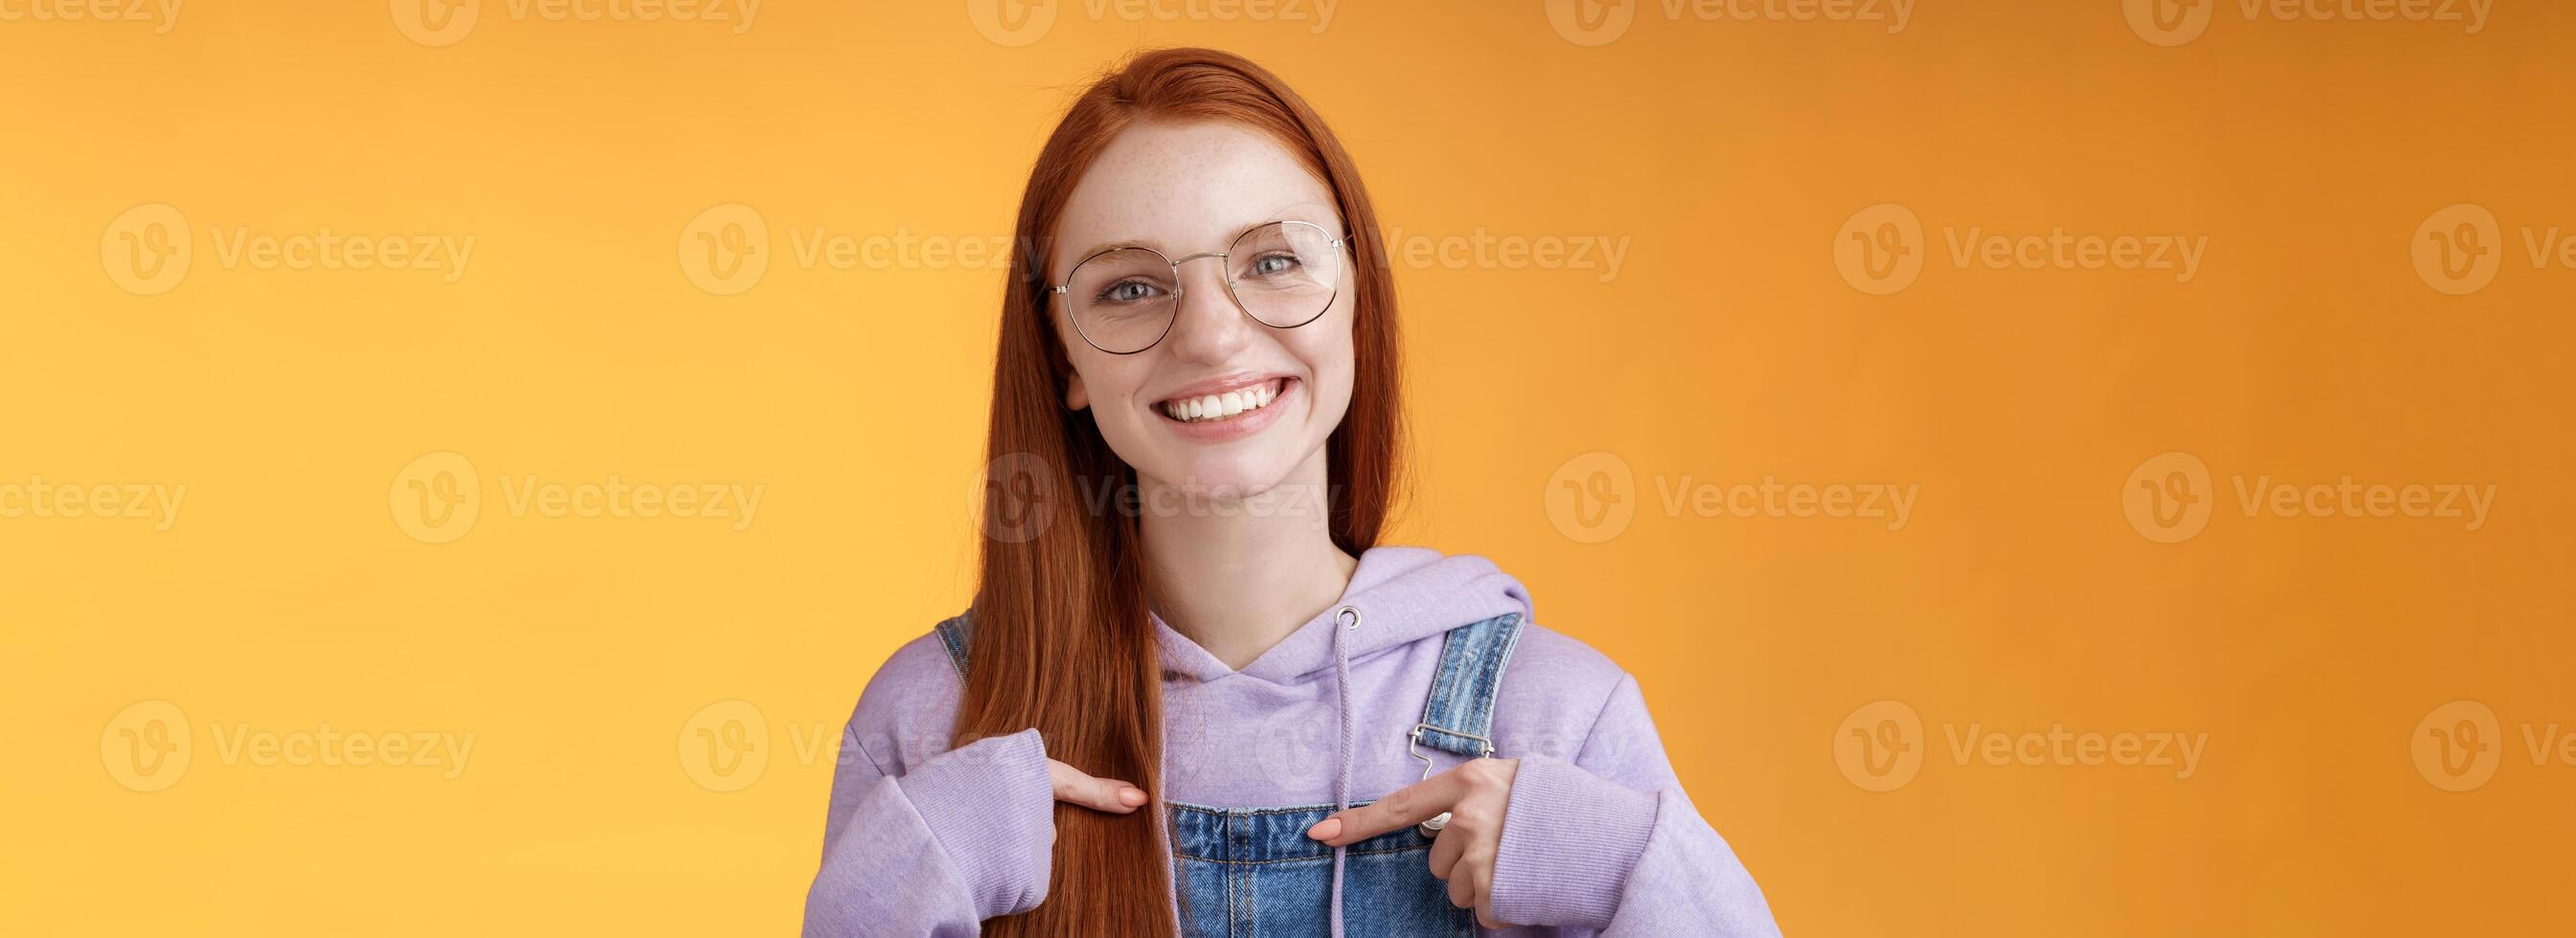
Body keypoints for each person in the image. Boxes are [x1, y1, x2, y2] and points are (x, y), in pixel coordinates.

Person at [801, 47, 1779, 937]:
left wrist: (1625, 871)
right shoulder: (934, 716)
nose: (1211, 336)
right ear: (1062, 357)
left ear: (1356, 297)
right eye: (1129, 287)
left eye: (1271, 261)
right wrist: (897, 883)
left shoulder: (1558, 713)